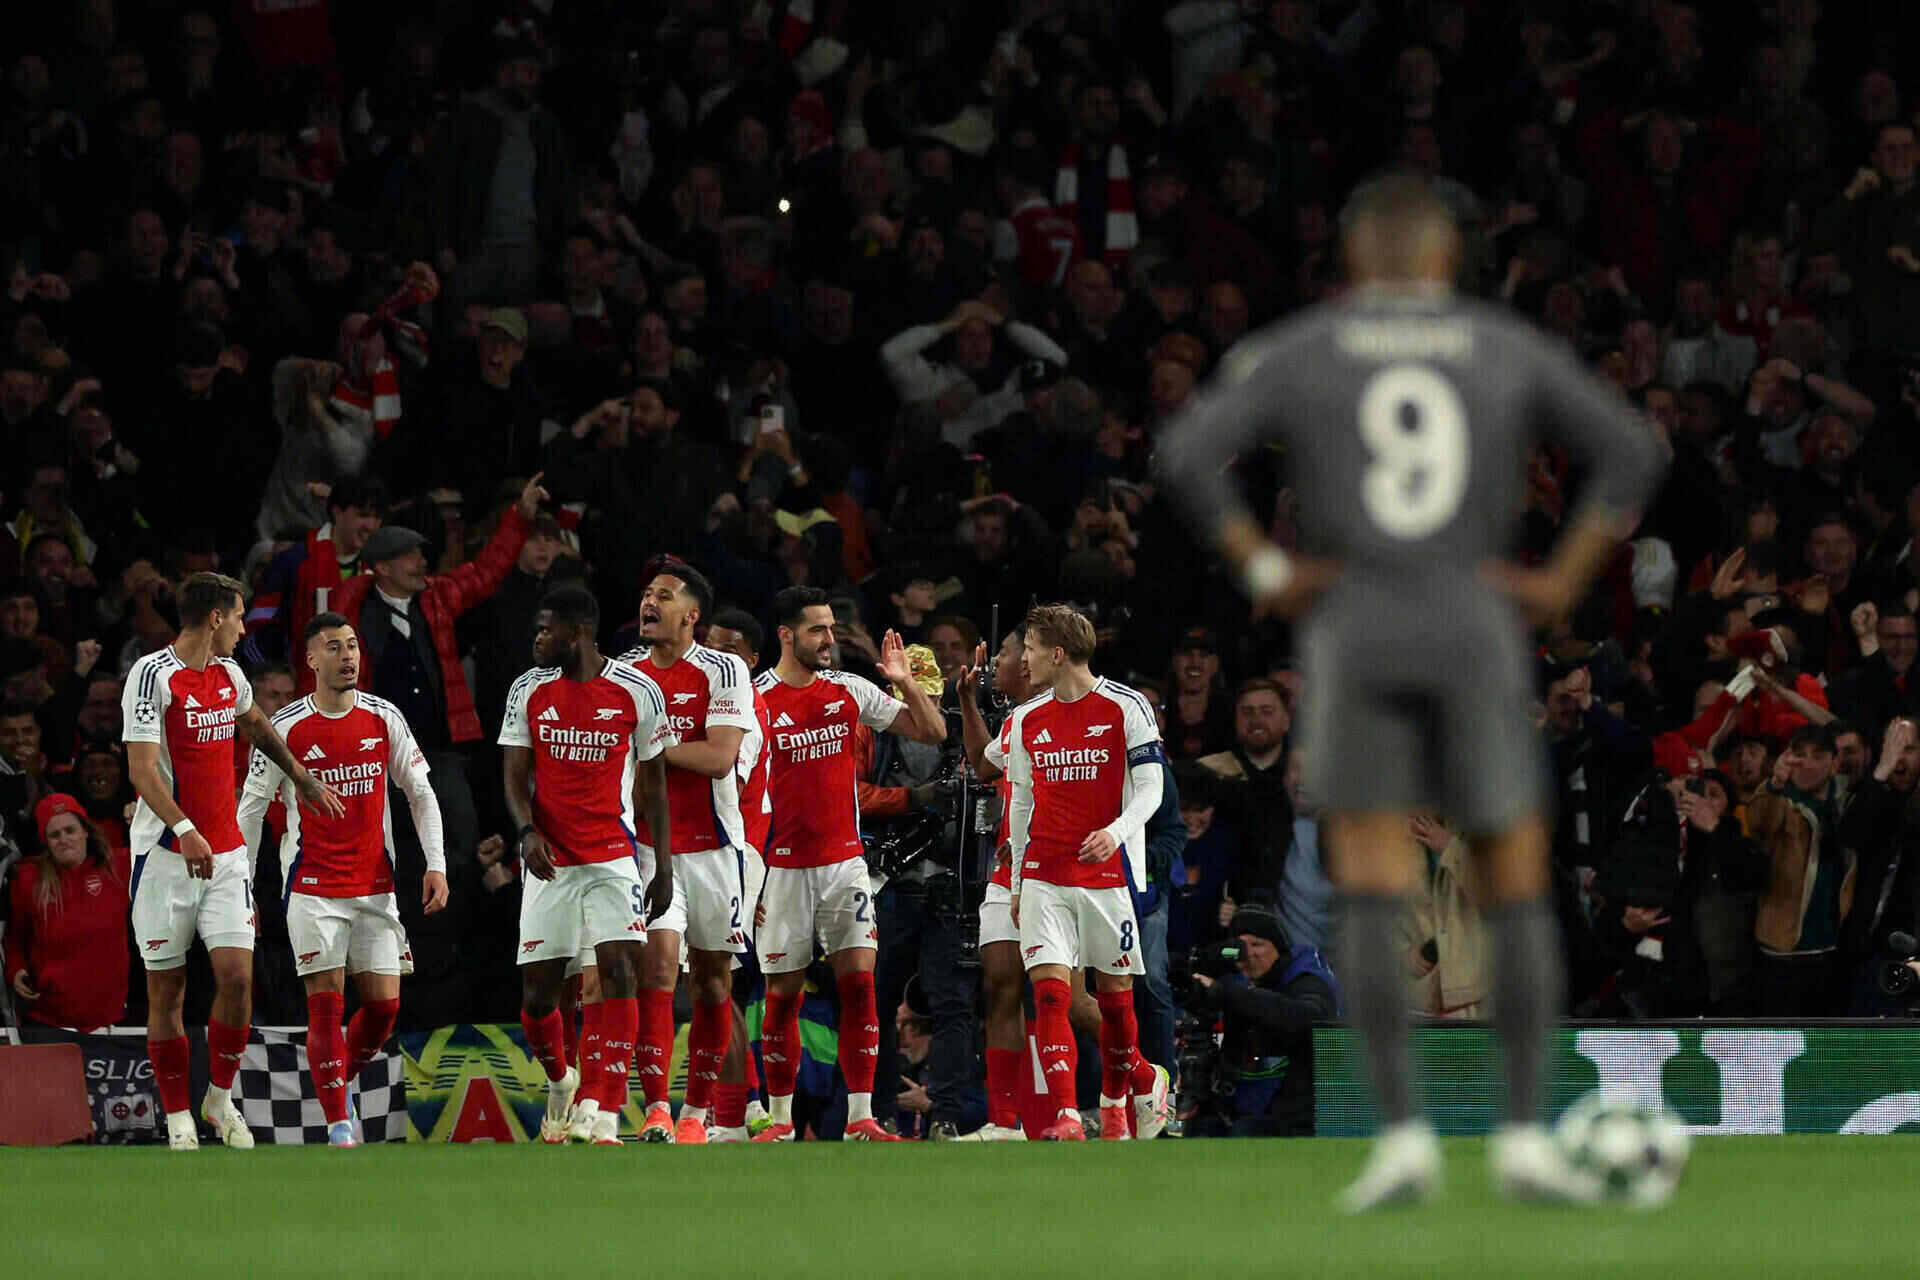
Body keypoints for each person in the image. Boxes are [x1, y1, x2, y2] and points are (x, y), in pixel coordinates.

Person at [1159, 176, 1665, 1205]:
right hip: (1472, 621)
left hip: (1358, 627)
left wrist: (1265, 566)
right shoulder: (1496, 342)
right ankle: (1523, 1136)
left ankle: (1399, 1141)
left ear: (1354, 263)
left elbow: (1186, 449)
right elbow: (1632, 448)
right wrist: (1561, 580)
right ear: (1444, 259)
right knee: (1515, 885)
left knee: (1372, 886)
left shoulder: (1311, 347)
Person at [123, 572, 348, 1151]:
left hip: (225, 857)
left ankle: (218, 1100)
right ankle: (177, 1116)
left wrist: (300, 777)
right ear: (216, 617)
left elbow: (257, 725)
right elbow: (143, 770)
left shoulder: (229, 675)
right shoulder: (152, 675)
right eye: (241, 617)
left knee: (238, 979)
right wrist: (183, 827)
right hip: (165, 857)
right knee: (166, 992)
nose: (245, 628)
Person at [237, 613, 448, 1146]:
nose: (348, 656)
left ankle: (337, 1080)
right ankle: (338, 1124)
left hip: (375, 886)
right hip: (312, 887)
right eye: (334, 647)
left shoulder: (384, 717)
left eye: (352, 645)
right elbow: (252, 809)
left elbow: (420, 793)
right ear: (312, 660)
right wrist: (242, 887)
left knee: (383, 1007)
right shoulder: (285, 727)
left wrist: (436, 863)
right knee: (326, 1002)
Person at [750, 586, 946, 1141]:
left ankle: (862, 1117)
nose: (829, 640)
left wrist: (905, 681)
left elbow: (931, 731)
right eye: (817, 629)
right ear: (787, 634)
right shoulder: (756, 699)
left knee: (860, 988)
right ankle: (782, 1122)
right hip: (782, 870)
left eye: (832, 628)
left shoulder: (851, 691)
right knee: (782, 998)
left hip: (845, 865)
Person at [500, 585, 673, 1146]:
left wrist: (663, 868)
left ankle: (605, 1115)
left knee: (622, 972)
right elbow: (513, 775)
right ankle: (560, 1080)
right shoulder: (528, 689)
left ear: (576, 635)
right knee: (538, 1000)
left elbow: (654, 782)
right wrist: (525, 831)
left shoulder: (637, 690)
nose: (538, 639)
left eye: (546, 630)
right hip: (551, 861)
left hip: (612, 857)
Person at [997, 604, 1168, 1141]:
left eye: (1029, 648)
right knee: (1051, 995)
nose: (1023, 659)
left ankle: (1118, 1099)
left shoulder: (1126, 706)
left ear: (1058, 653)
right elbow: (1021, 803)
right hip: (1046, 875)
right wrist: (1021, 883)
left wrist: (1115, 833)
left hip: (1106, 877)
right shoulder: (1027, 718)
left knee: (1116, 1008)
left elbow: (1152, 787)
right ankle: (1069, 1115)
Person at [611, 560, 754, 1144]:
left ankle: (697, 1113)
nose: (650, 602)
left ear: (692, 616)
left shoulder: (723, 671)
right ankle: (657, 1111)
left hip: (717, 847)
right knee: (660, 968)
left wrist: (653, 747)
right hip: (647, 846)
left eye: (664, 596)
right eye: (647, 594)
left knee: (714, 982)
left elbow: (720, 757)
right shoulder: (621, 674)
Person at [1187, 903, 1339, 1137]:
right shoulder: (1236, 978)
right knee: (1196, 1132)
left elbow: (1311, 1019)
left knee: (1243, 1133)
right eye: (1240, 946)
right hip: (1239, 1103)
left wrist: (1224, 993)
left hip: (1301, 1111)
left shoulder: (1306, 976)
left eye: (1257, 944)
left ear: (1278, 948)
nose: (1248, 954)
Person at [5, 793, 129, 1032]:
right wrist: (16, 969)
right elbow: (15, 937)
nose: (63, 839)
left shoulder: (119, 867)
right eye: (54, 835)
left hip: (110, 1020)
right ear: (46, 842)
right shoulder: (28, 879)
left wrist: (143, 816)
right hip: (49, 1020)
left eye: (70, 830)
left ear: (86, 832)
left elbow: (167, 857)